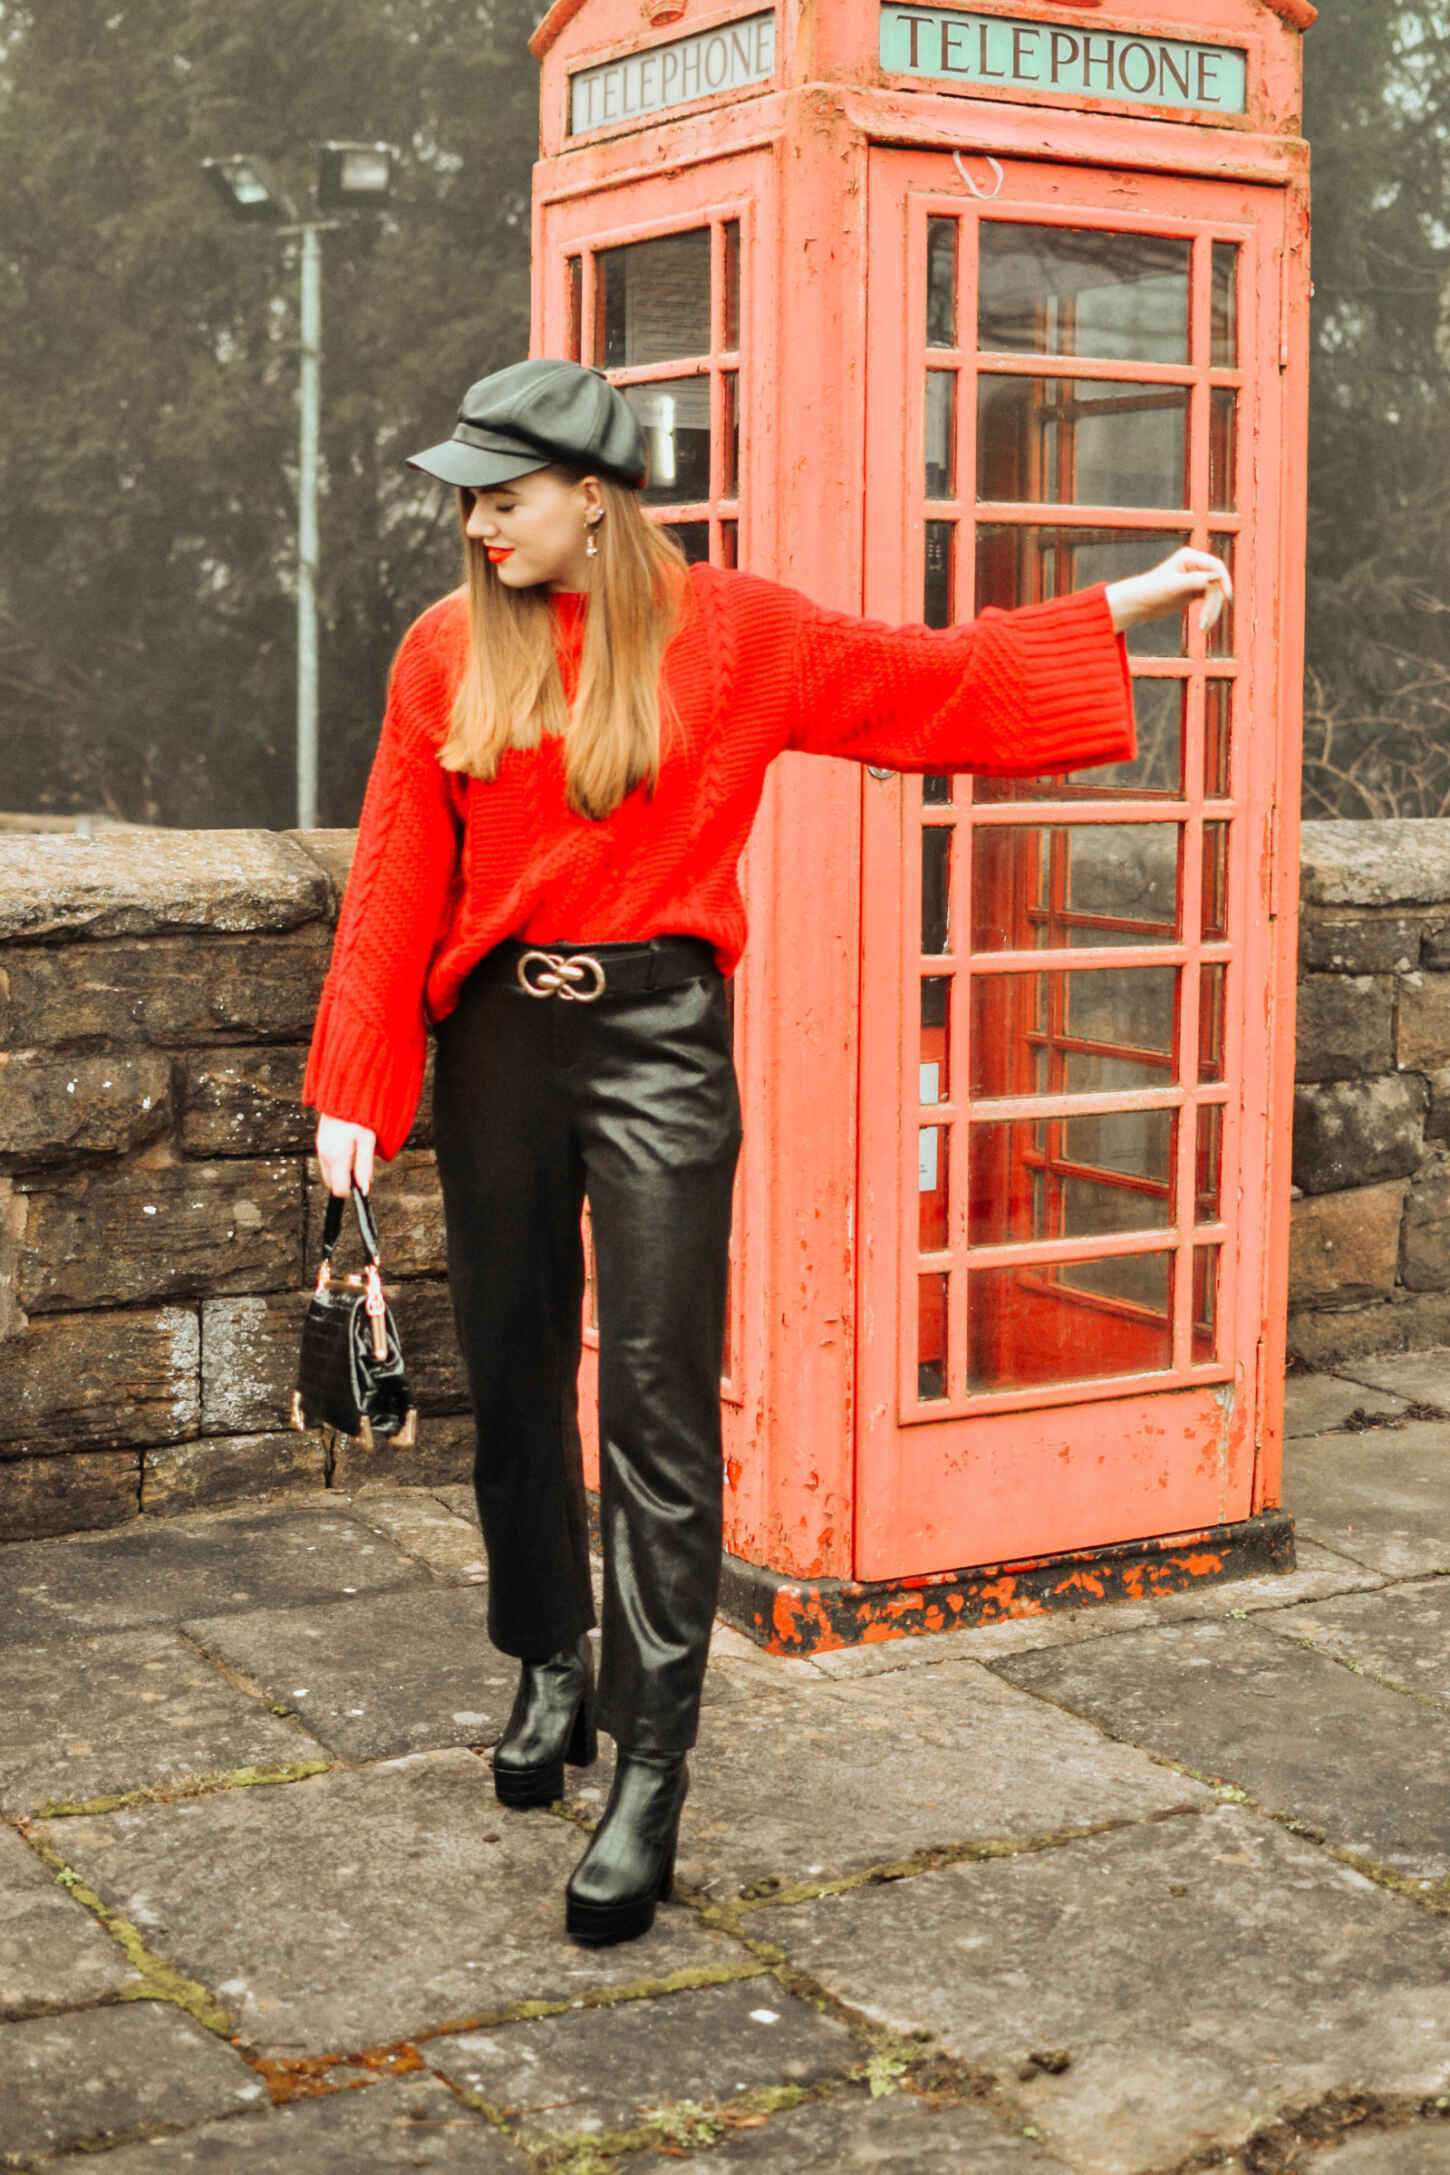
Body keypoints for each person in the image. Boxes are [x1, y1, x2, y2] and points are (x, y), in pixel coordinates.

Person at [302, 357, 1230, 1949]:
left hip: (659, 1045)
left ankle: (649, 1766)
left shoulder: (736, 634)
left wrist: (1118, 607)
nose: (476, 528)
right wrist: (353, 1091)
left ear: (593, 498)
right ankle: (546, 1664)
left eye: (504, 500)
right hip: (498, 1046)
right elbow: (397, 870)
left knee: (655, 1404)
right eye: (466, 501)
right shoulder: (446, 647)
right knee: (511, 1375)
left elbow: (933, 682)